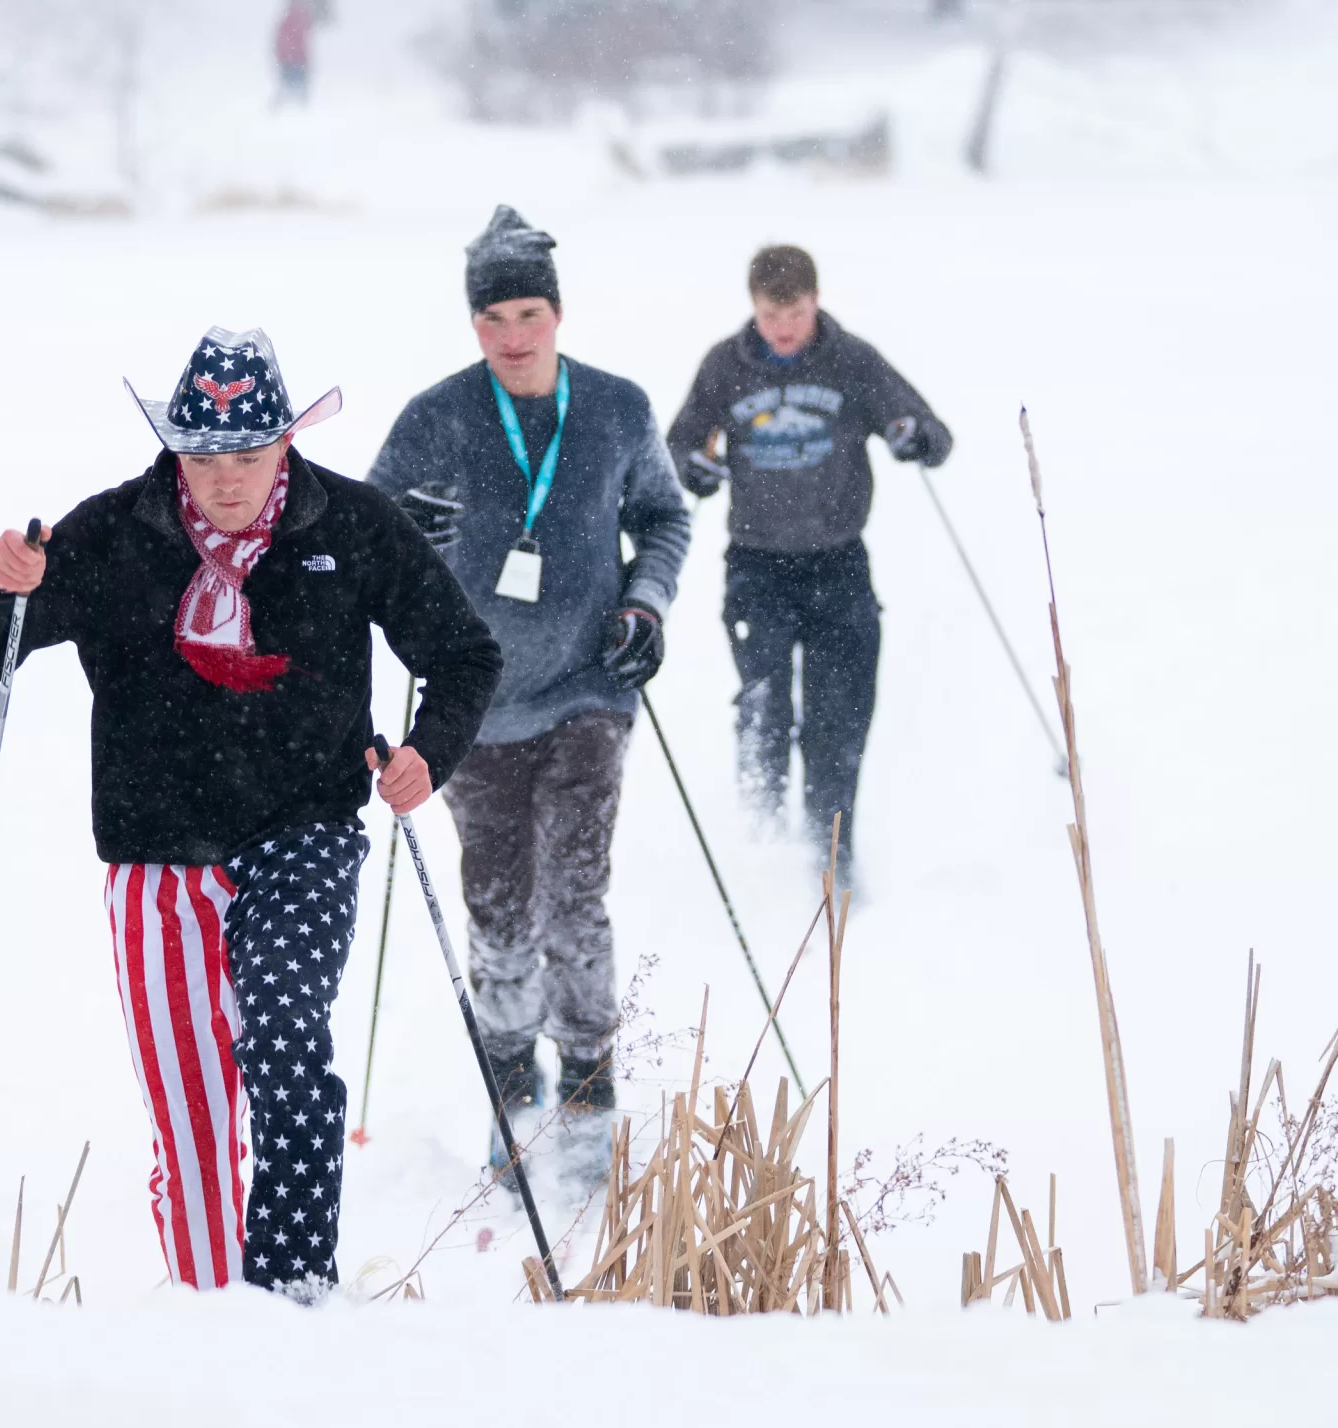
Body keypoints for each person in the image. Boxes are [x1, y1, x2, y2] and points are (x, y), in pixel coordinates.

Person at [0, 327, 501, 1295]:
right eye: (203, 458)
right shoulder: (110, 533)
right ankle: (209, 1322)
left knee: (282, 1035)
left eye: (247, 454)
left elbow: (463, 652)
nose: (226, 479)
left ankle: (291, 1298)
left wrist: (423, 755)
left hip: (303, 829)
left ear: (285, 442)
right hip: (154, 851)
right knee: (192, 1120)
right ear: (173, 450)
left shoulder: (348, 523)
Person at [368, 207, 691, 1174]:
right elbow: (361, 525)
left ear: (556, 312)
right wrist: (402, 532)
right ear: (472, 325)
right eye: (491, 320)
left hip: (590, 690)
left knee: (574, 896)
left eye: (526, 314)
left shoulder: (618, 409)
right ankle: (511, 1073)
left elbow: (665, 520)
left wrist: (644, 607)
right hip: (474, 700)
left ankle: (590, 1082)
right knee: (499, 903)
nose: (511, 337)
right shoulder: (435, 416)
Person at [665, 244, 952, 877]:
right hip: (757, 566)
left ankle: (830, 853)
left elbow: (933, 434)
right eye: (770, 315)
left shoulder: (852, 361)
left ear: (815, 301)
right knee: (764, 709)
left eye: (793, 312)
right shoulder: (725, 366)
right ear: (754, 308)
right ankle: (760, 844)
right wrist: (698, 468)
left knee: (838, 719)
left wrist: (915, 437)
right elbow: (679, 446)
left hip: (838, 563)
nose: (783, 327)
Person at [273, 1, 312, 107]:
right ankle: (300, 109)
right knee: (295, 89)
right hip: (295, 61)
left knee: (288, 88)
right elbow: (302, 43)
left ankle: (288, 107)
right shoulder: (300, 23)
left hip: (290, 61)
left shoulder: (290, 22)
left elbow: (280, 41)